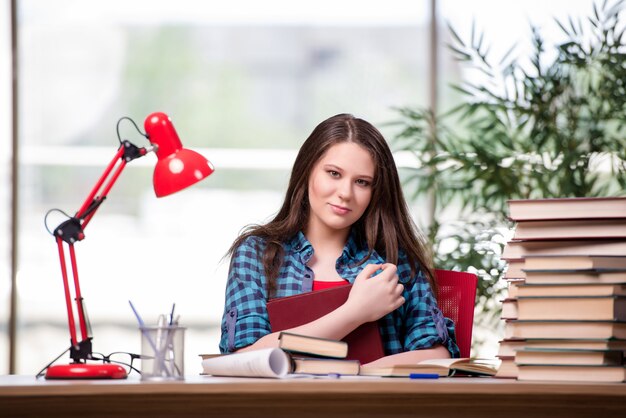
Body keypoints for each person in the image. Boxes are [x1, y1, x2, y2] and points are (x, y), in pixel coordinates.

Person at [219, 113, 459, 366]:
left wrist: (357, 376)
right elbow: (245, 358)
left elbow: (437, 354)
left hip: (374, 403)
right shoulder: (258, 253)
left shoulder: (395, 261)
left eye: (362, 182)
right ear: (307, 170)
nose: (345, 193)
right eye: (334, 174)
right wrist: (354, 313)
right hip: (283, 404)